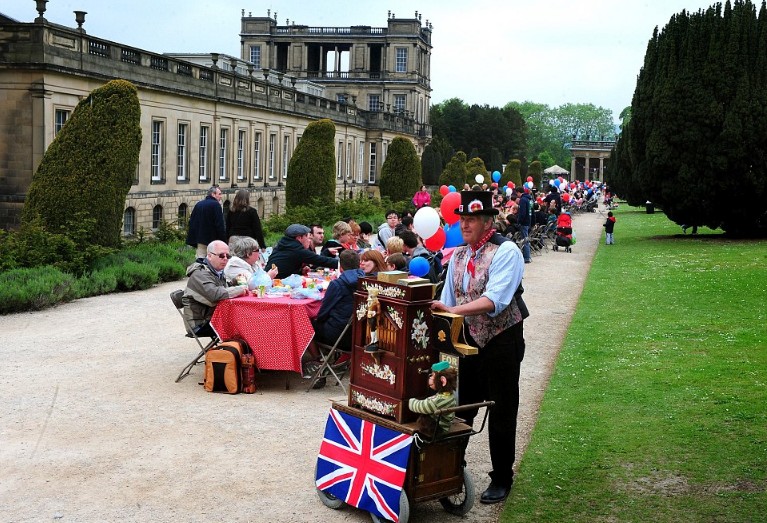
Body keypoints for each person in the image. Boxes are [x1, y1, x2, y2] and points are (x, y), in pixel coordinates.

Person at [430, 189, 528, 505]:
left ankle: (502, 477)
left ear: (487, 222)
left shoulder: (506, 251)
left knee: (501, 409)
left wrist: (453, 312)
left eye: (471, 219)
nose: (464, 225)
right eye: (462, 219)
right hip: (467, 339)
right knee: (460, 406)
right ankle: (451, 470)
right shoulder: (458, 255)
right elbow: (447, 299)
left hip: (502, 339)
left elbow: (495, 301)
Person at [182, 240, 248, 335]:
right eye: (221, 255)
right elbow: (215, 295)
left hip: (213, 317)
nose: (225, 259)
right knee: (244, 323)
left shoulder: (216, 271)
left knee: (246, 318)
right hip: (200, 324)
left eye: (228, 256)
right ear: (209, 256)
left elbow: (222, 289)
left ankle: (240, 348)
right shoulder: (200, 274)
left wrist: (235, 282)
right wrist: (240, 289)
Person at [312, 249, 365, 351]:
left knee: (306, 324)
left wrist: (317, 320)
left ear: (340, 268)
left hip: (339, 336)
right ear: (359, 264)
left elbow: (324, 311)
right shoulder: (366, 281)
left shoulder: (337, 284)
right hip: (360, 334)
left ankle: (316, 358)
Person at [266, 224, 338, 279]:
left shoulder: (281, 246)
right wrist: (343, 264)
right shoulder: (297, 250)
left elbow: (285, 267)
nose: (309, 240)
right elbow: (321, 260)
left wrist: (300, 271)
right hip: (276, 284)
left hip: (268, 279)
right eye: (307, 237)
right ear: (299, 238)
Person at [408, 361, 458, 437]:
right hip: (443, 425)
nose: (430, 377)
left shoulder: (439, 401)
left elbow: (421, 406)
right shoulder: (449, 395)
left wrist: (409, 401)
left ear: (442, 381)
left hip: (437, 429)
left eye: (433, 376)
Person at [186, 186, 226, 259]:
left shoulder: (199, 204)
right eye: (219, 194)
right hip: (212, 240)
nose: (221, 196)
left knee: (200, 260)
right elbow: (220, 225)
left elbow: (192, 221)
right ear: (213, 194)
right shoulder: (216, 205)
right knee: (213, 261)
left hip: (200, 239)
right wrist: (223, 240)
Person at [515, 186, 532, 264]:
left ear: (518, 192)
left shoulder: (522, 200)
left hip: (524, 222)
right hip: (527, 221)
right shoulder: (527, 199)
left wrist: (519, 221)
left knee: (525, 239)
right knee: (526, 238)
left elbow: (522, 213)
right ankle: (527, 255)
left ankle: (526, 257)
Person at [363, 288, 381, 352]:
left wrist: (375, 313)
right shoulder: (369, 300)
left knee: (373, 328)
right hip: (369, 316)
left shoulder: (377, 302)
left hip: (373, 316)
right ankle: (375, 340)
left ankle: (373, 341)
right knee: (371, 327)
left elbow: (379, 311)